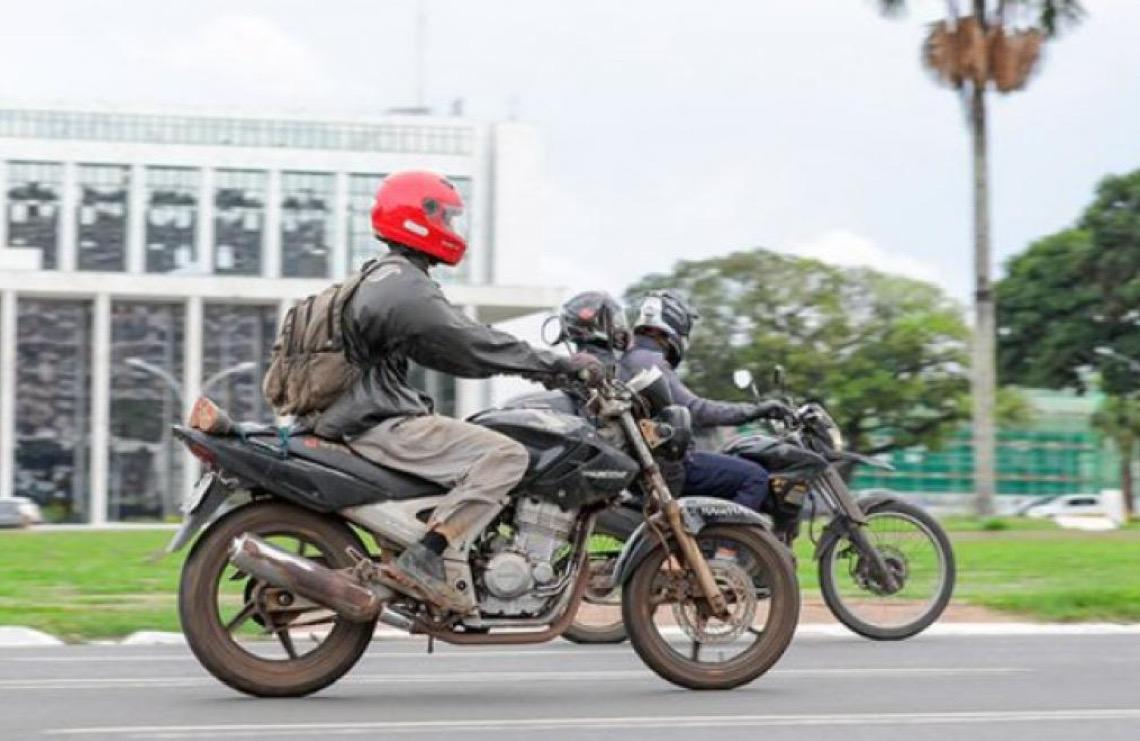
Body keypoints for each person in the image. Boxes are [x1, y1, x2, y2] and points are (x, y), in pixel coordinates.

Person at [315, 171, 604, 613]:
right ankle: (426, 558)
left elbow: (453, 355)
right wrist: (558, 366)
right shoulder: (404, 286)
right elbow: (471, 343)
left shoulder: (384, 279)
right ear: (418, 218)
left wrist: (534, 370)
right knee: (506, 456)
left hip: (360, 417)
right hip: (377, 423)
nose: (452, 229)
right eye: (446, 218)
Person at [619, 290, 795, 513]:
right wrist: (756, 411)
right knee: (755, 477)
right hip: (668, 466)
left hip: (650, 464)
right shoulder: (649, 361)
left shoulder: (629, 358)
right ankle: (731, 535)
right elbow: (697, 410)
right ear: (677, 323)